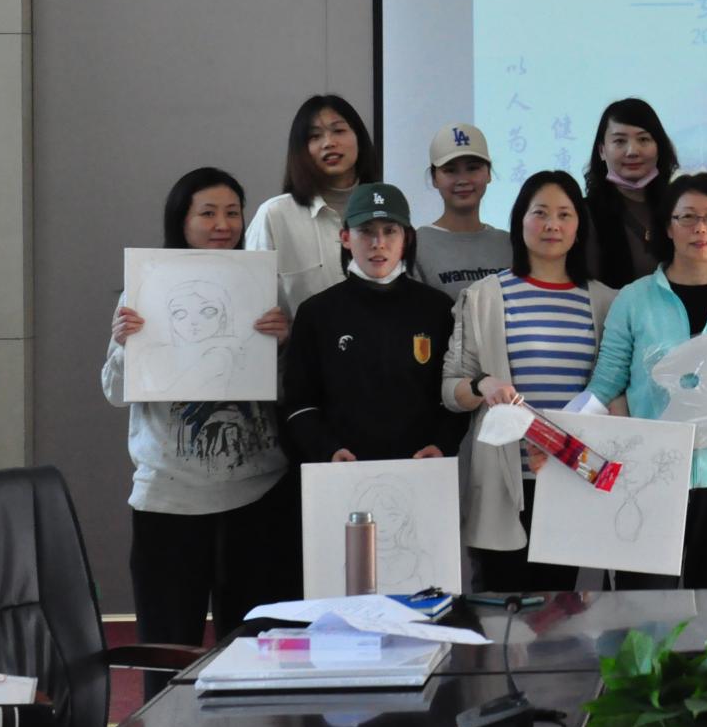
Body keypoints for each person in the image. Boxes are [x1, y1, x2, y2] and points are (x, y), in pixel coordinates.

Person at [103, 167, 297, 691]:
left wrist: (283, 348)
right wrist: (124, 346)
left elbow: (289, 392)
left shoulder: (265, 288)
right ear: (181, 220)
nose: (222, 224)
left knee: (257, 656)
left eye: (232, 212)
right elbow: (114, 391)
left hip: (257, 498)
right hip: (170, 502)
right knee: (168, 656)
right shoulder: (143, 290)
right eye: (207, 213)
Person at [582, 173, 707, 588]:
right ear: (668, 227)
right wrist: (567, 440)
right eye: (687, 217)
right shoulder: (634, 299)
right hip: (649, 476)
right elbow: (606, 384)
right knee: (643, 606)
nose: (701, 228)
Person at [443, 171, 615, 590]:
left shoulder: (605, 301)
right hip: (505, 485)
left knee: (561, 611)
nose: (552, 225)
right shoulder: (484, 297)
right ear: (519, 221)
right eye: (540, 213)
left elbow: (615, 396)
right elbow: (450, 389)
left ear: (579, 227)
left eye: (564, 214)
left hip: (572, 478)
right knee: (499, 610)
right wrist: (482, 385)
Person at [282, 182, 466, 464]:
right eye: (366, 231)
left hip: (422, 469)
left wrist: (442, 445)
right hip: (341, 472)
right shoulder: (316, 313)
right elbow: (299, 402)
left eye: (390, 231)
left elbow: (455, 395)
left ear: (407, 238)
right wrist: (327, 450)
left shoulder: (438, 309)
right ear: (345, 237)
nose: (378, 243)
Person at [246, 94, 381, 318]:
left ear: (359, 137)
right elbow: (250, 303)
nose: (329, 143)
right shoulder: (275, 215)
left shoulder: (385, 210)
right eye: (314, 136)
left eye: (339, 130)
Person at [583, 97, 678, 289]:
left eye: (643, 139)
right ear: (602, 151)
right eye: (619, 141)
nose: (632, 151)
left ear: (659, 147)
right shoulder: (585, 213)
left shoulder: (679, 207)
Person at [413, 121, 513, 302]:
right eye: (450, 170)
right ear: (434, 178)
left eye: (473, 168)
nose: (463, 180)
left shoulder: (508, 244)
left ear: (489, 173)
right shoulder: (416, 245)